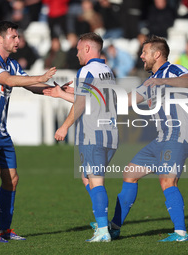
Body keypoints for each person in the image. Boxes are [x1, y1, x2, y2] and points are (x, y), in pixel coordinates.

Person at [92, 35, 188, 242]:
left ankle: (181, 233)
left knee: (167, 180)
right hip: (161, 138)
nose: (141, 56)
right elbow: (126, 101)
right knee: (130, 173)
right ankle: (115, 227)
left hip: (178, 135)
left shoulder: (172, 70)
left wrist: (162, 81)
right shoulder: (150, 81)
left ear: (157, 54)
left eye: (144, 52)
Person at [0, 21, 57, 243]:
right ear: (0, 39)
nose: (18, 41)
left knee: (12, 180)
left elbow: (30, 86)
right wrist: (39, 77)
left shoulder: (12, 64)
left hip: (1, 131)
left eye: (18, 37)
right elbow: (7, 80)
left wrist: (59, 90)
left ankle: (5, 230)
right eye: (14, 37)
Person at [44, 32, 118, 242]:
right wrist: (62, 94)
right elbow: (91, 100)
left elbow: (82, 104)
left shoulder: (86, 71)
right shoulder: (107, 70)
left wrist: (65, 126)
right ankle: (101, 219)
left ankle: (103, 230)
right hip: (110, 134)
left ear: (87, 48)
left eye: (78, 49)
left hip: (93, 134)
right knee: (88, 178)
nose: (76, 53)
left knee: (95, 181)